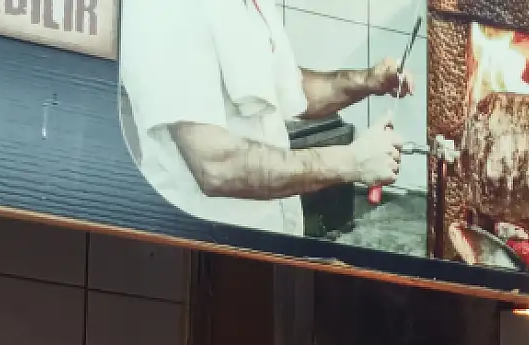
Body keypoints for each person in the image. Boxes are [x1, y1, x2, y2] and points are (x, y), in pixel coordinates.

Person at [119, 0, 413, 233]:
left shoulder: (251, 5)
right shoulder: (165, 8)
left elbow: (288, 89)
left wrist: (367, 81)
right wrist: (352, 161)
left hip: (268, 243)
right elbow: (215, 166)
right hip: (204, 249)